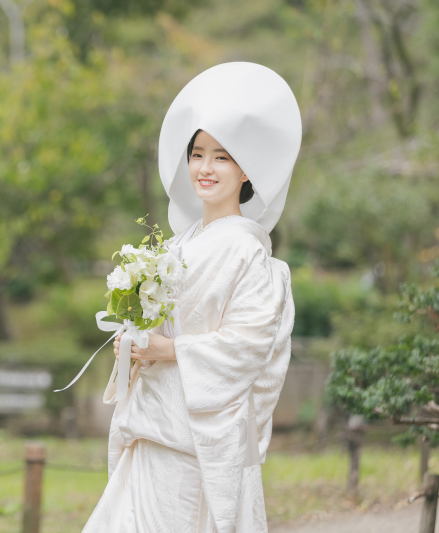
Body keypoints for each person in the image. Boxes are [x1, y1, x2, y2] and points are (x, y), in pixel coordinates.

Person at [81, 62, 301, 533]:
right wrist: (135, 345)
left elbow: (248, 346)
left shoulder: (248, 252)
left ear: (245, 170)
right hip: (151, 424)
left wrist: (169, 350)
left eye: (221, 157)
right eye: (197, 154)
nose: (205, 168)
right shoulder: (177, 246)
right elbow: (160, 327)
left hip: (197, 438)